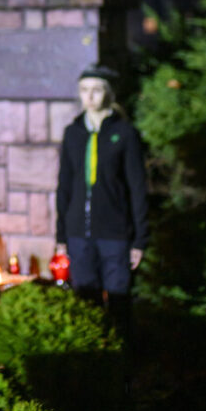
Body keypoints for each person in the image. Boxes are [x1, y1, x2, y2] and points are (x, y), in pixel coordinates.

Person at [55, 63, 148, 331]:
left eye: (96, 90)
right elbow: (64, 186)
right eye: (84, 90)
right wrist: (61, 236)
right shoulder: (73, 133)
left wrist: (139, 240)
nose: (90, 96)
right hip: (78, 235)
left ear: (108, 93)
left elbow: (137, 188)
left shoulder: (125, 134)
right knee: (86, 305)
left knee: (119, 305)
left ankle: (123, 366)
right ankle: (94, 365)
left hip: (115, 235)